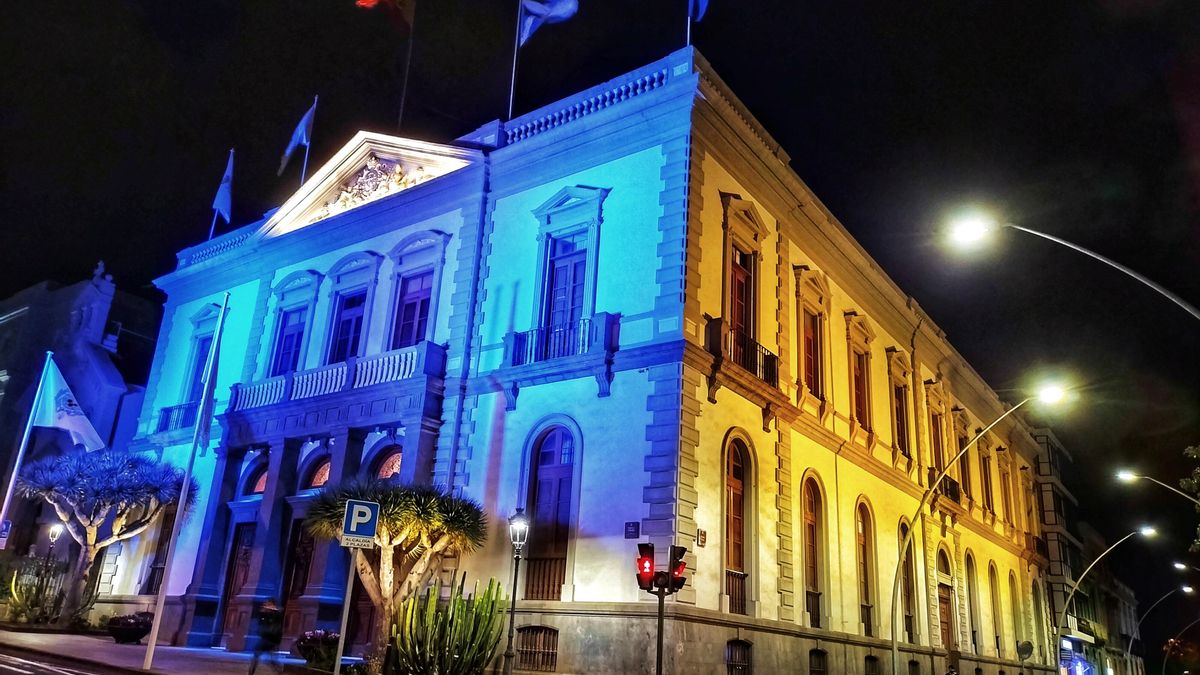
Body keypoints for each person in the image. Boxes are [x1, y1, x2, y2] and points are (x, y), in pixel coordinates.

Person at [248, 599, 284, 674]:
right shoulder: (265, 614)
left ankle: (279, 670)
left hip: (271, 639)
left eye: (268, 604)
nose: (266, 605)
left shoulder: (276, 614)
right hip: (265, 638)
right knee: (259, 656)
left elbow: (275, 628)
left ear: (273, 605)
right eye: (266, 604)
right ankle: (279, 670)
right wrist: (263, 613)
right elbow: (261, 623)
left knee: (262, 656)